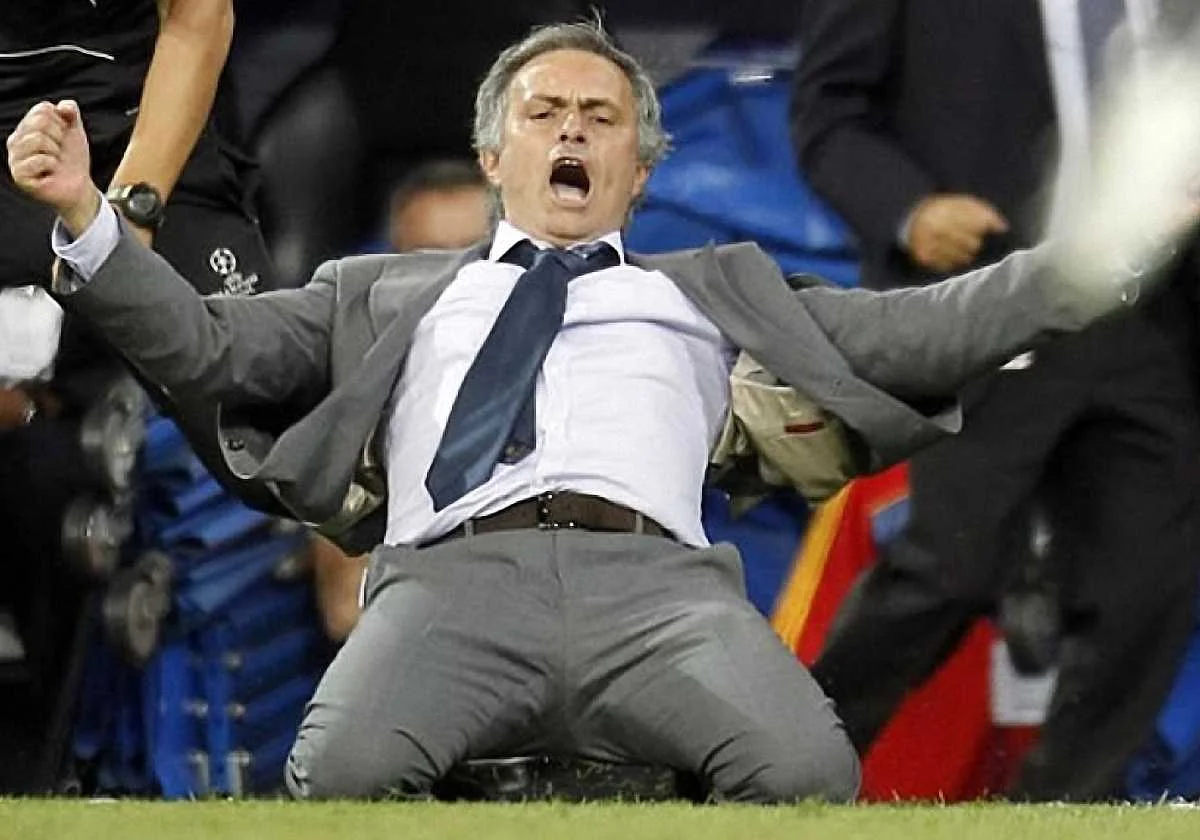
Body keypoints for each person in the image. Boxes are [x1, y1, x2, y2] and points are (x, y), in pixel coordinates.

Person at [7, 20, 1191, 803]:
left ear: (641, 169)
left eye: (601, 114)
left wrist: (1107, 251)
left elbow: (929, 327)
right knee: (341, 780)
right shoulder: (375, 292)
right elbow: (209, 347)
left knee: (806, 773)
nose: (572, 127)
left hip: (664, 597)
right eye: (543, 112)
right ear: (493, 155)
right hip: (447, 584)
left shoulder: (718, 289)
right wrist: (86, 222)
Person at [791, 0, 1200, 800]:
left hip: (1154, 316)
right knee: (949, 565)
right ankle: (779, 767)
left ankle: (1066, 809)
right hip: (987, 302)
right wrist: (909, 209)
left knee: (1146, 588)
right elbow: (828, 110)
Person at [0, 0, 285, 792]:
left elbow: (197, 16)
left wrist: (130, 213)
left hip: (146, 131)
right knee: (45, 469)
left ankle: (287, 748)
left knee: (267, 415)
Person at [314, 158, 492, 643]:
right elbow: (346, 610)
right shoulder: (363, 414)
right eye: (430, 260)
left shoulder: (582, 371)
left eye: (475, 255)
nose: (456, 280)